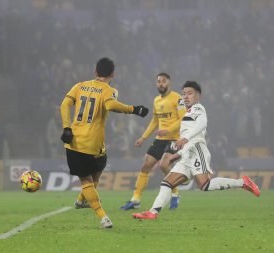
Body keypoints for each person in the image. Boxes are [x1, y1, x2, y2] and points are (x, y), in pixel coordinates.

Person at [132, 81, 260, 220]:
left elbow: (202, 124)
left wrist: (185, 139)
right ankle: (153, 212)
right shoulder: (187, 114)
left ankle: (243, 182)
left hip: (198, 150)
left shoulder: (198, 108)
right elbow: (188, 139)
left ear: (198, 96)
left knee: (205, 185)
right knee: (167, 183)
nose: (185, 97)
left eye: (190, 93)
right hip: (187, 154)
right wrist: (177, 154)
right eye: (184, 94)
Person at [60, 57, 149, 228]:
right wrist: (134, 109)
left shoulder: (79, 86)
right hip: (95, 144)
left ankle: (83, 201)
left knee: (86, 180)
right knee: (96, 171)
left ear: (95, 72)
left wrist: (66, 128)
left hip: (74, 141)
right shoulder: (109, 90)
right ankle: (102, 215)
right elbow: (110, 105)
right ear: (113, 74)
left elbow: (65, 104)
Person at [120, 73, 186, 210]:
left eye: (164, 81)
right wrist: (143, 137)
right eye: (158, 81)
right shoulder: (156, 100)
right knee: (146, 166)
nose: (161, 84)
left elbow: (183, 118)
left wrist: (168, 130)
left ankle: (175, 194)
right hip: (160, 139)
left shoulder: (177, 98)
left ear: (169, 82)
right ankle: (136, 200)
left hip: (174, 138)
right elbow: (155, 121)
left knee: (163, 164)